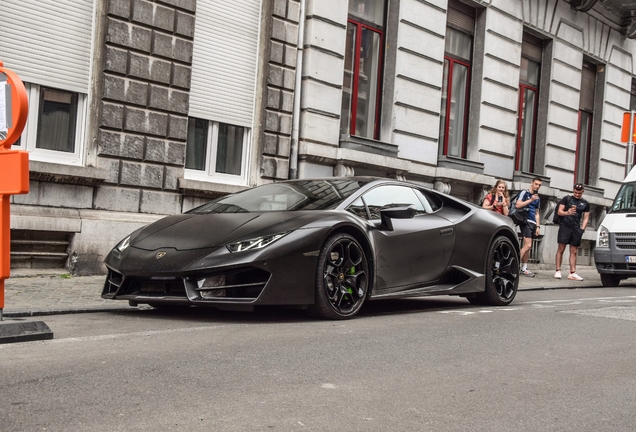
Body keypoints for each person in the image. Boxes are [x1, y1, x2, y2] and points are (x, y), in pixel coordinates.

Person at [554, 183, 590, 281]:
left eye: (579, 193)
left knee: (574, 251)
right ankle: (558, 270)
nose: (577, 194)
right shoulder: (567, 199)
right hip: (565, 225)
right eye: (575, 192)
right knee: (561, 248)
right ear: (573, 190)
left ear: (582, 192)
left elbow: (586, 217)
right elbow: (559, 211)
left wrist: (582, 229)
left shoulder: (585, 203)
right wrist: (567, 212)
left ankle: (572, 272)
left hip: (576, 227)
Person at [515, 177, 542, 276]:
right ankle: (514, 264)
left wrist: (538, 226)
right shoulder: (524, 193)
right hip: (524, 221)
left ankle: (524, 267)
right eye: (536, 184)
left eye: (539, 185)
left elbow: (537, 213)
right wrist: (530, 200)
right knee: (528, 245)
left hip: (533, 223)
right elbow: (518, 205)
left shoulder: (538, 198)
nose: (537, 186)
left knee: (528, 247)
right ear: (531, 183)